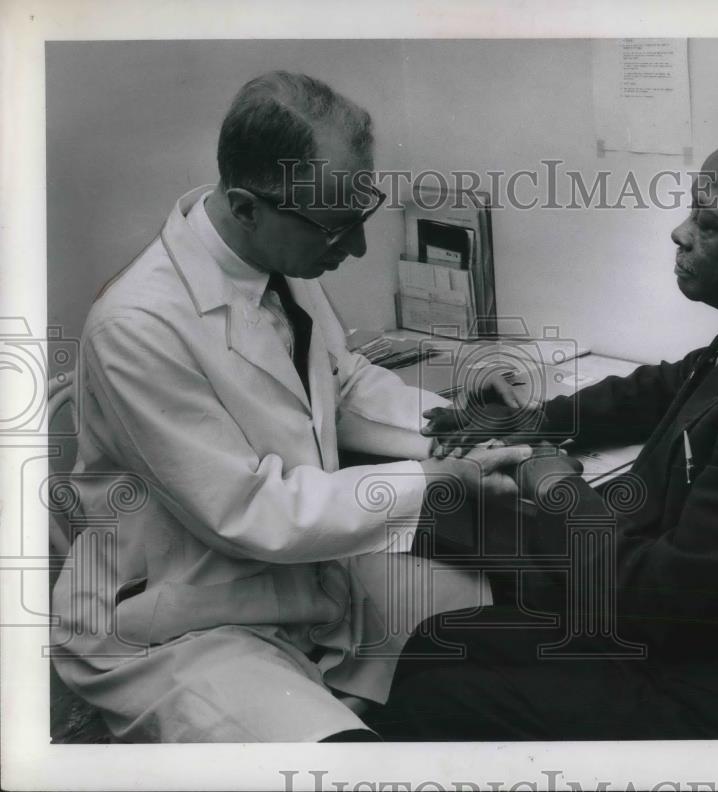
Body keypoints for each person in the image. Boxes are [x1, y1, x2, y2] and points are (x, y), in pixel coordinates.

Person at [380, 128, 718, 740]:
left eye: (708, 223)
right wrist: (531, 421)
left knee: (447, 688)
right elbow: (666, 386)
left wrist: (552, 478)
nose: (680, 233)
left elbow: (651, 606)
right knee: (439, 638)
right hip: (703, 630)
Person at [50, 71, 531, 743]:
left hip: (302, 584)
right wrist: (433, 480)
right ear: (246, 207)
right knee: (341, 762)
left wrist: (446, 428)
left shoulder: (277, 266)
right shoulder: (137, 326)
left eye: (360, 217)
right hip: (178, 621)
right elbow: (249, 509)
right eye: (336, 228)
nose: (357, 247)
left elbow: (344, 381)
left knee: (507, 632)